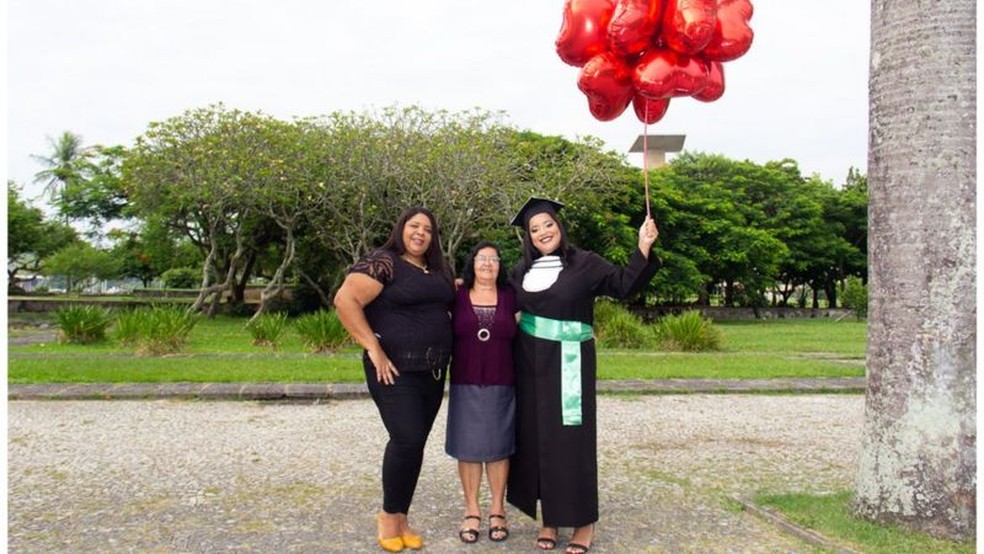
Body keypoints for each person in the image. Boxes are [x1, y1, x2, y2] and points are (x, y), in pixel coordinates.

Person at [505, 197, 660, 554]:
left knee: (571, 441)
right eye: (535, 228)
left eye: (548, 224)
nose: (543, 232)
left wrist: (643, 246)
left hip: (570, 364)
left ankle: (583, 522)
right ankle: (549, 519)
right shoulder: (520, 273)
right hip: (529, 367)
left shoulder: (585, 264)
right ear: (528, 237)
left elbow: (623, 285)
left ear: (560, 227)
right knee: (537, 440)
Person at [333, 207, 455, 553]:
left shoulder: (438, 269)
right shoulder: (383, 262)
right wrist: (373, 347)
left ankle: (402, 518)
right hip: (393, 370)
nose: (420, 233)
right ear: (401, 228)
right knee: (406, 438)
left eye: (427, 229)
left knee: (414, 445)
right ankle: (388, 517)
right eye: (414, 226)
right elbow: (345, 299)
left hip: (432, 372)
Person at [444, 241, 519, 545]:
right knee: (468, 447)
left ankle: (497, 510)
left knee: (499, 447)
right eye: (481, 258)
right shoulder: (456, 296)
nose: (487, 263)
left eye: (493, 259)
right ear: (471, 264)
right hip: (465, 380)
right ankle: (472, 510)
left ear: (500, 266)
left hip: (503, 380)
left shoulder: (511, 297)